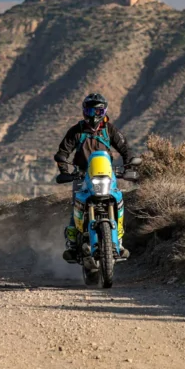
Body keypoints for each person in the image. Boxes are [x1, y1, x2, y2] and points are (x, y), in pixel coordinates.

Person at [53, 92, 135, 263]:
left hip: (107, 174)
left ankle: (118, 242)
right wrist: (64, 170)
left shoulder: (110, 129)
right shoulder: (77, 130)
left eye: (98, 112)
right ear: (84, 111)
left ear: (104, 112)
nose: (94, 115)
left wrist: (129, 166)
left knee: (118, 201)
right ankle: (73, 244)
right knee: (77, 204)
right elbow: (62, 153)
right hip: (82, 175)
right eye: (90, 111)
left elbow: (126, 149)